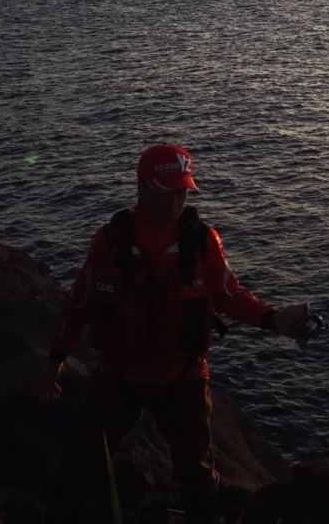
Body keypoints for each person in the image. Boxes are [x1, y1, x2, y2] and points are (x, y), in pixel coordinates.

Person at [38, 143, 310, 524]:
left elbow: (229, 294)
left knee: (197, 473)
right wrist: (56, 360)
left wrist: (274, 318)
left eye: (181, 192)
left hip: (182, 376)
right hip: (117, 373)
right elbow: (79, 303)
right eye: (165, 191)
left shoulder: (202, 242)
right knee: (81, 464)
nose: (174, 203)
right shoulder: (109, 242)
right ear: (141, 188)